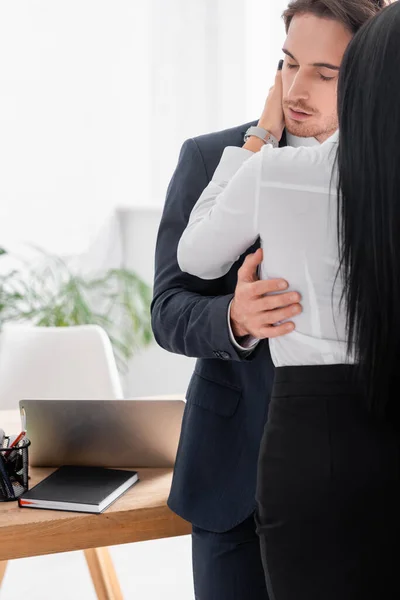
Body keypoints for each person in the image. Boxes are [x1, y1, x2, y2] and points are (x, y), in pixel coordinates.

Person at [151, 1, 384, 598]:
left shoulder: (382, 172)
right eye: (287, 64)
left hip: (351, 471)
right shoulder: (212, 157)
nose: (296, 89)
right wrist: (234, 317)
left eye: (324, 74)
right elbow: (168, 306)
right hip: (231, 478)